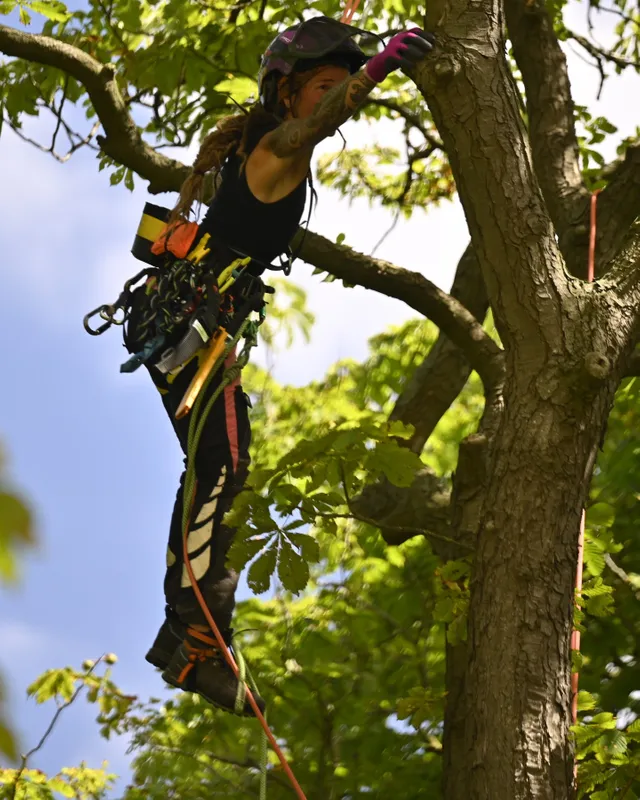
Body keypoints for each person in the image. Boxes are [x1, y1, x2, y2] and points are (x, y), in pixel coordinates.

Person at [127, 16, 435, 716]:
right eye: (324, 88)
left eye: (341, 86)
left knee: (219, 461)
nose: (340, 100)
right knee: (228, 463)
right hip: (188, 322)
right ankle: (194, 635)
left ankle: (188, 633)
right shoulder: (277, 145)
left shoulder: (264, 154)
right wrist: (376, 70)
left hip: (193, 324)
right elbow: (314, 128)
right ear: (288, 93)